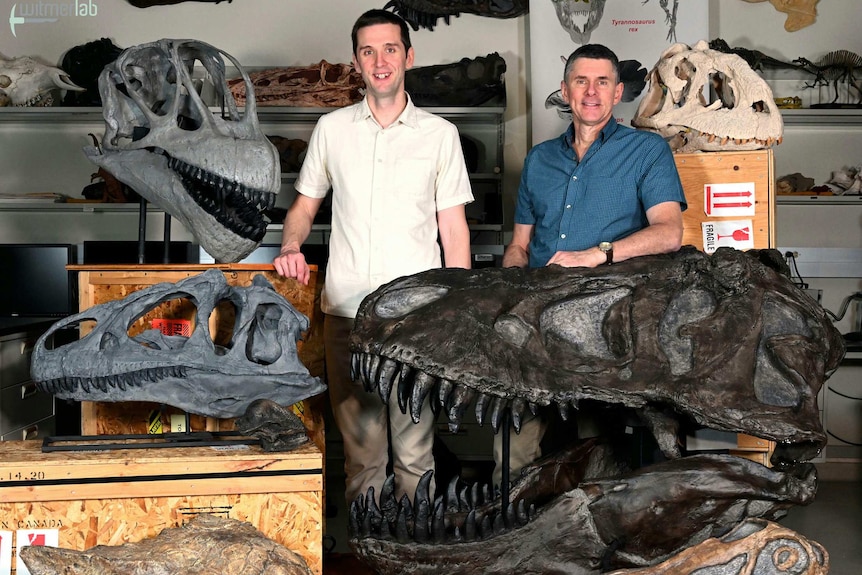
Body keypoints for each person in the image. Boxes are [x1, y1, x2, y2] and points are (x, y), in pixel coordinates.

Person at [272, 9, 473, 505]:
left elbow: (453, 228)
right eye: (368, 51)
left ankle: (413, 553)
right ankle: (370, 554)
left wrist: (459, 308)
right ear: (356, 63)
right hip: (347, 316)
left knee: (415, 454)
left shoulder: (440, 135)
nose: (380, 61)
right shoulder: (332, 129)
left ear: (408, 56)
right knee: (362, 459)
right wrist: (290, 245)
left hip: (417, 319)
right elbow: (303, 206)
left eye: (389, 49)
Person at [494, 43, 687, 485]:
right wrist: (505, 293)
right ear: (565, 90)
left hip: (604, 331)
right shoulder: (539, 159)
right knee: (513, 446)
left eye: (602, 82)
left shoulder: (647, 151)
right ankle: (515, 536)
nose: (591, 91)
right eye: (581, 81)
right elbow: (519, 248)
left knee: (593, 450)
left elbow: (668, 232)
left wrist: (595, 254)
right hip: (536, 325)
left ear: (618, 92)